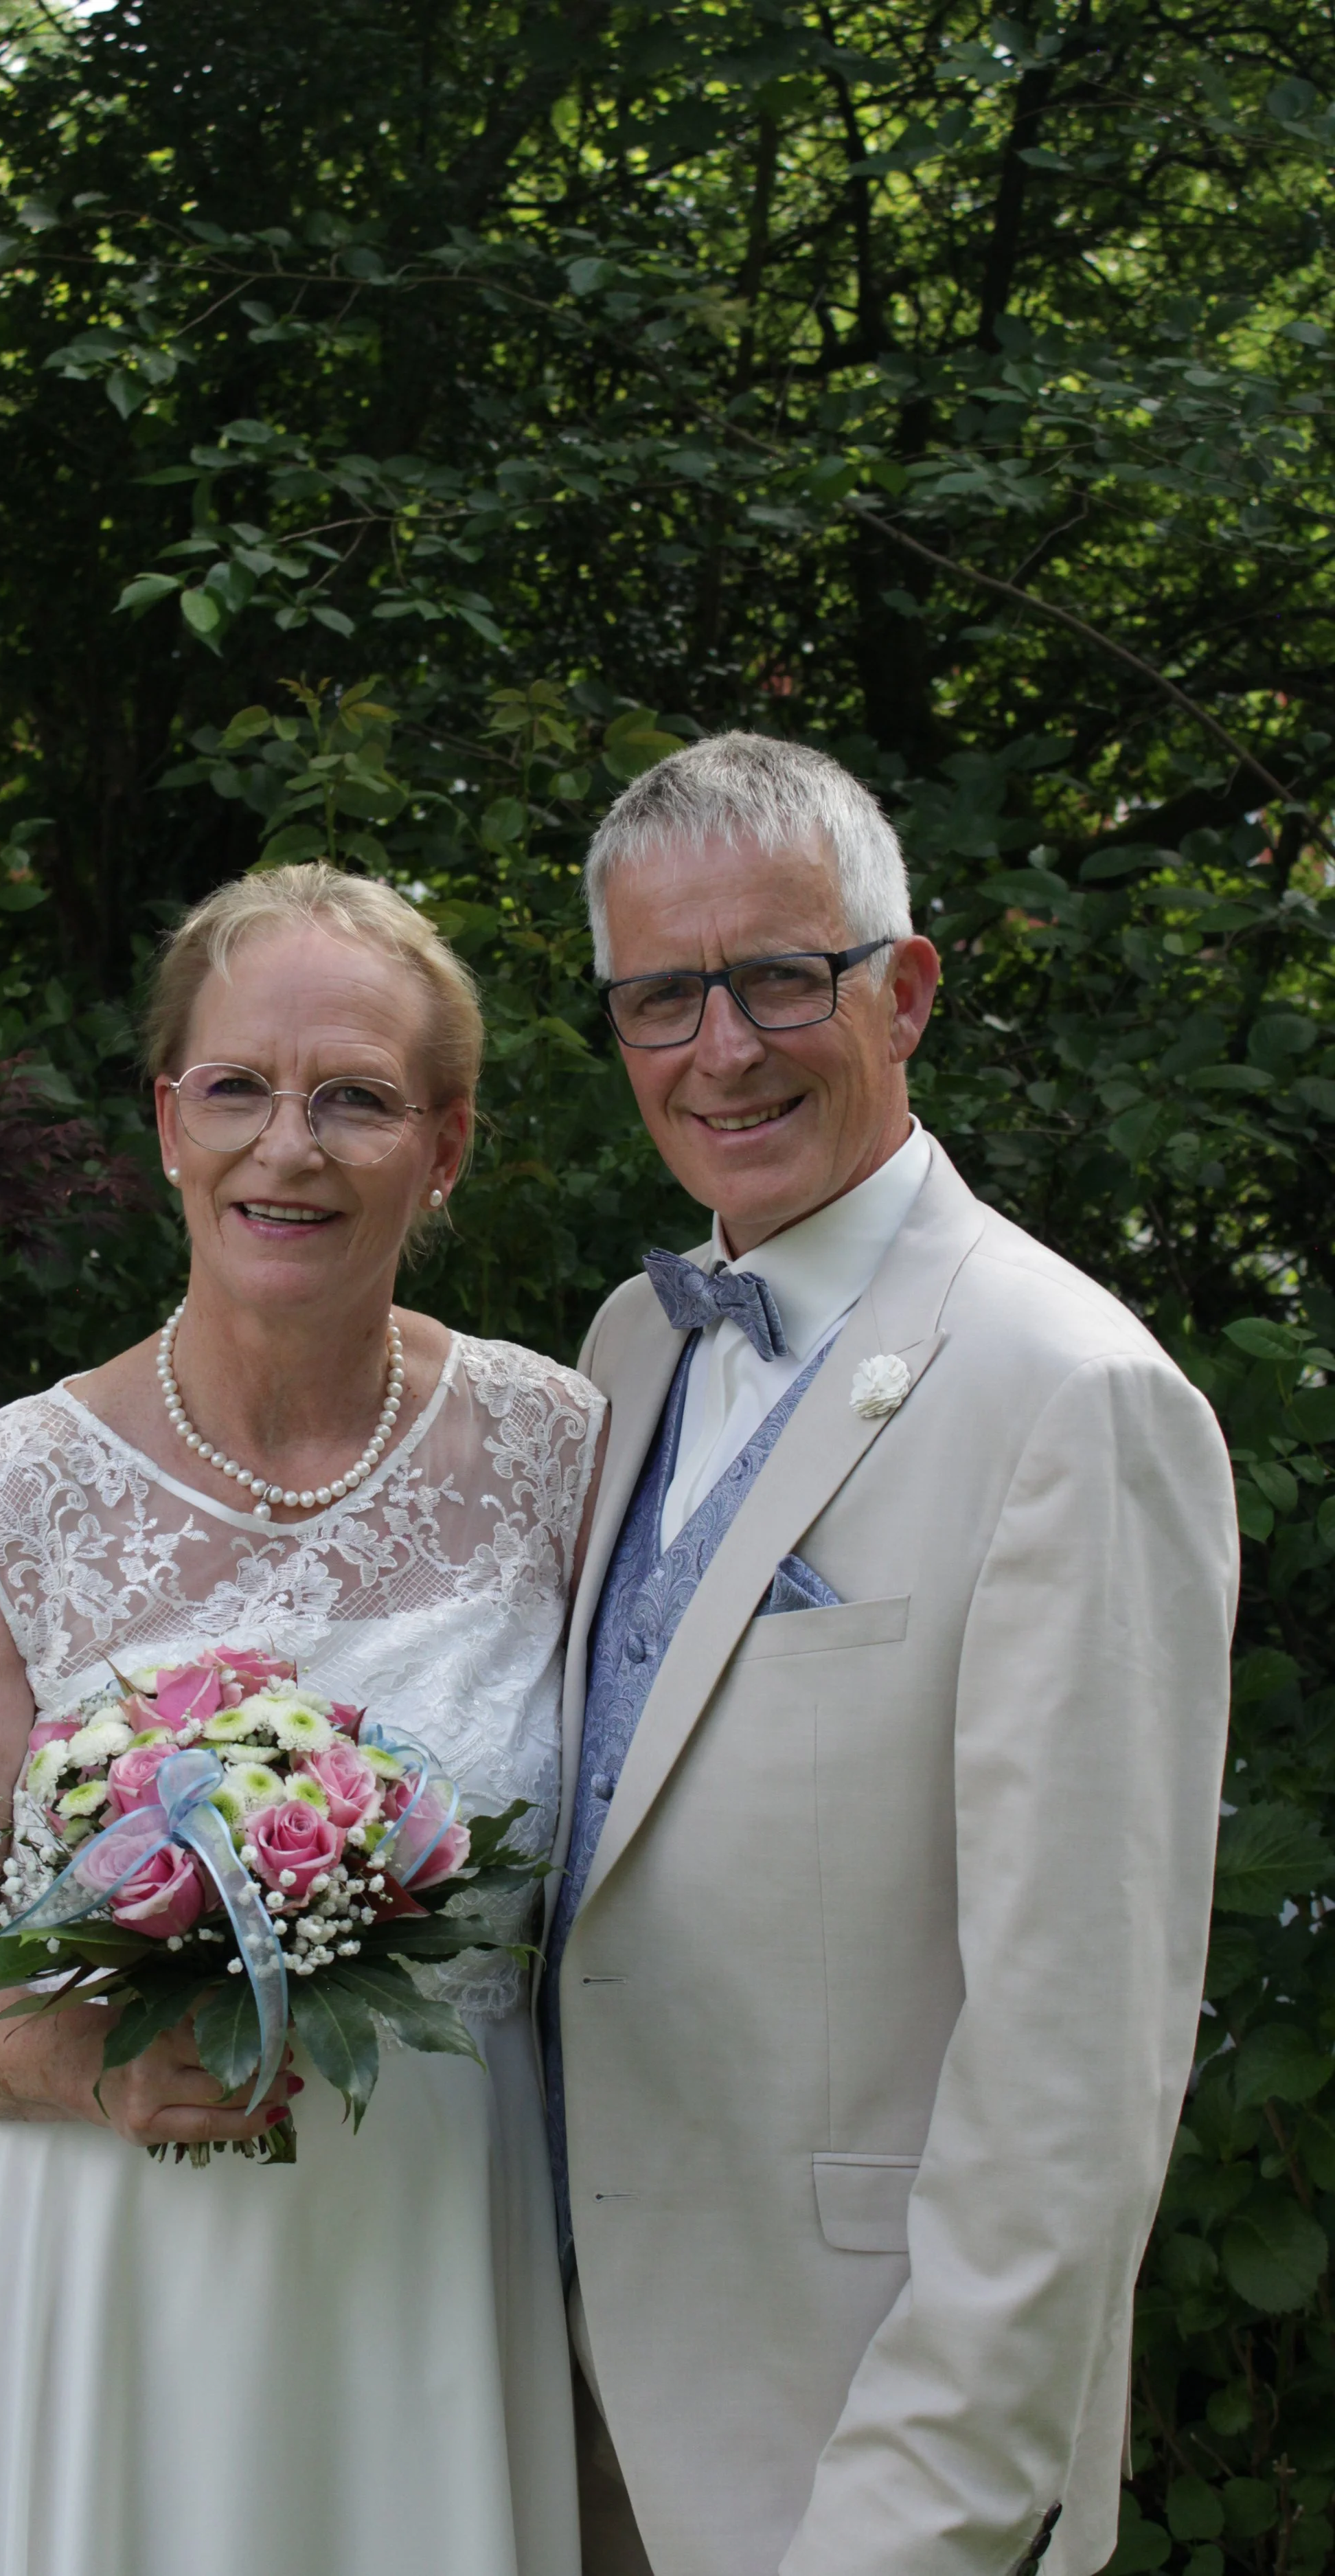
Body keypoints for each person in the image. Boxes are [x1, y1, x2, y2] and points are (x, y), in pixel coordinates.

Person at [0, 862, 606, 2576]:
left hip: (427, 2260)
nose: (289, 1146)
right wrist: (84, 2068)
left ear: (447, 1146)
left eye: (354, 1100)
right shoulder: (10, 1496)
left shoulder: (563, 1453)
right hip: (93, 2267)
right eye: (237, 1088)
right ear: (168, 1121)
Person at [541, 733, 1238, 2576]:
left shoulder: (1065, 1391)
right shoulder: (627, 1341)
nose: (725, 1046)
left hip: (847, 2461)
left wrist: (910, 2525)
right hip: (564, 2420)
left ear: (903, 988)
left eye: (782, 975)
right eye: (661, 996)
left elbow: (1069, 2079)